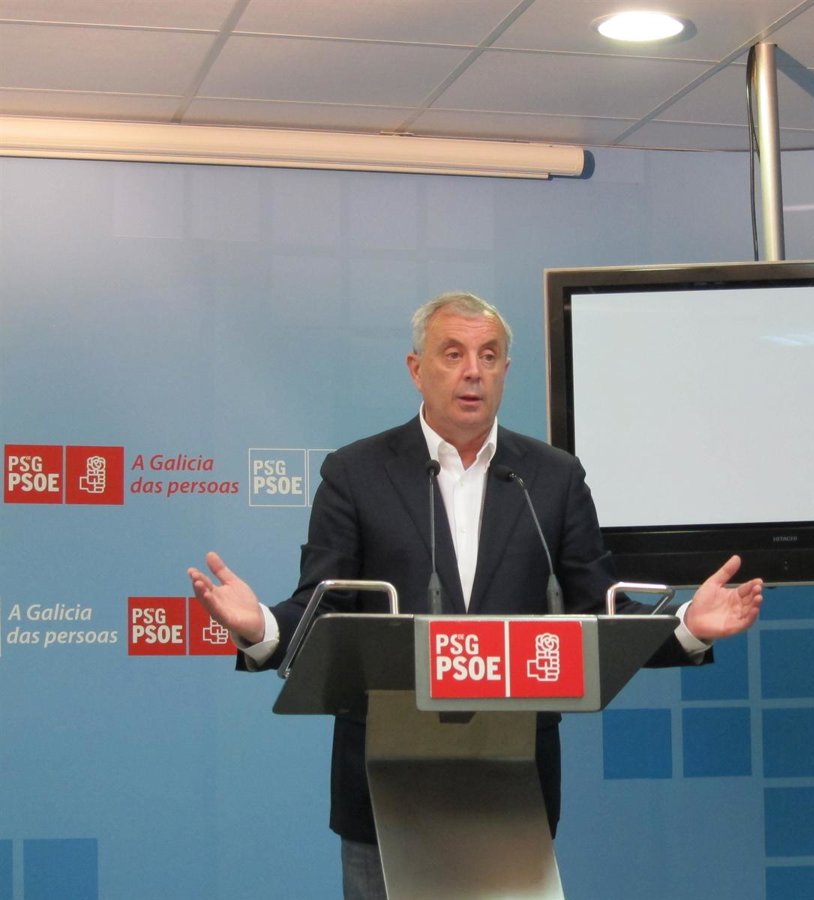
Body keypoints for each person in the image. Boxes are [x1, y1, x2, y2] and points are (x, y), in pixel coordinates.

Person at [188, 291, 763, 899]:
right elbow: (323, 609)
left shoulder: (552, 477)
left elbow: (599, 610)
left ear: (506, 371)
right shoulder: (355, 473)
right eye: (453, 353)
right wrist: (260, 628)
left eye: (489, 356)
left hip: (512, 779)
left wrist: (686, 625)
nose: (473, 371)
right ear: (416, 369)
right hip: (383, 783)